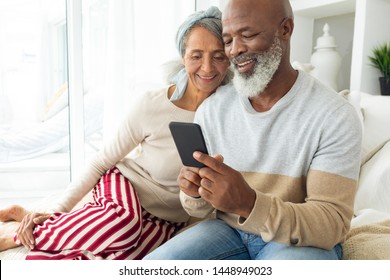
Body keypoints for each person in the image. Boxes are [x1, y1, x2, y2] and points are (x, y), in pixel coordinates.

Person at [0, 6, 231, 259]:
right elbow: (100, 162)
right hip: (126, 185)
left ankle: (32, 218)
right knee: (123, 227)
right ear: (183, 57)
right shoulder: (152, 104)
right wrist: (57, 211)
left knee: (115, 259)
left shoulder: (229, 115)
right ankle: (15, 235)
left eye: (218, 56)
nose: (207, 68)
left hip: (169, 217)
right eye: (196, 56)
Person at [144, 0, 362, 260]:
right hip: (229, 231)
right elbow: (198, 209)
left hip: (298, 241)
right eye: (228, 40)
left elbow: (331, 224)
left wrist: (249, 204)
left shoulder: (335, 115)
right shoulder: (213, 109)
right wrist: (193, 191)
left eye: (247, 35)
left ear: (286, 29)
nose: (235, 50)